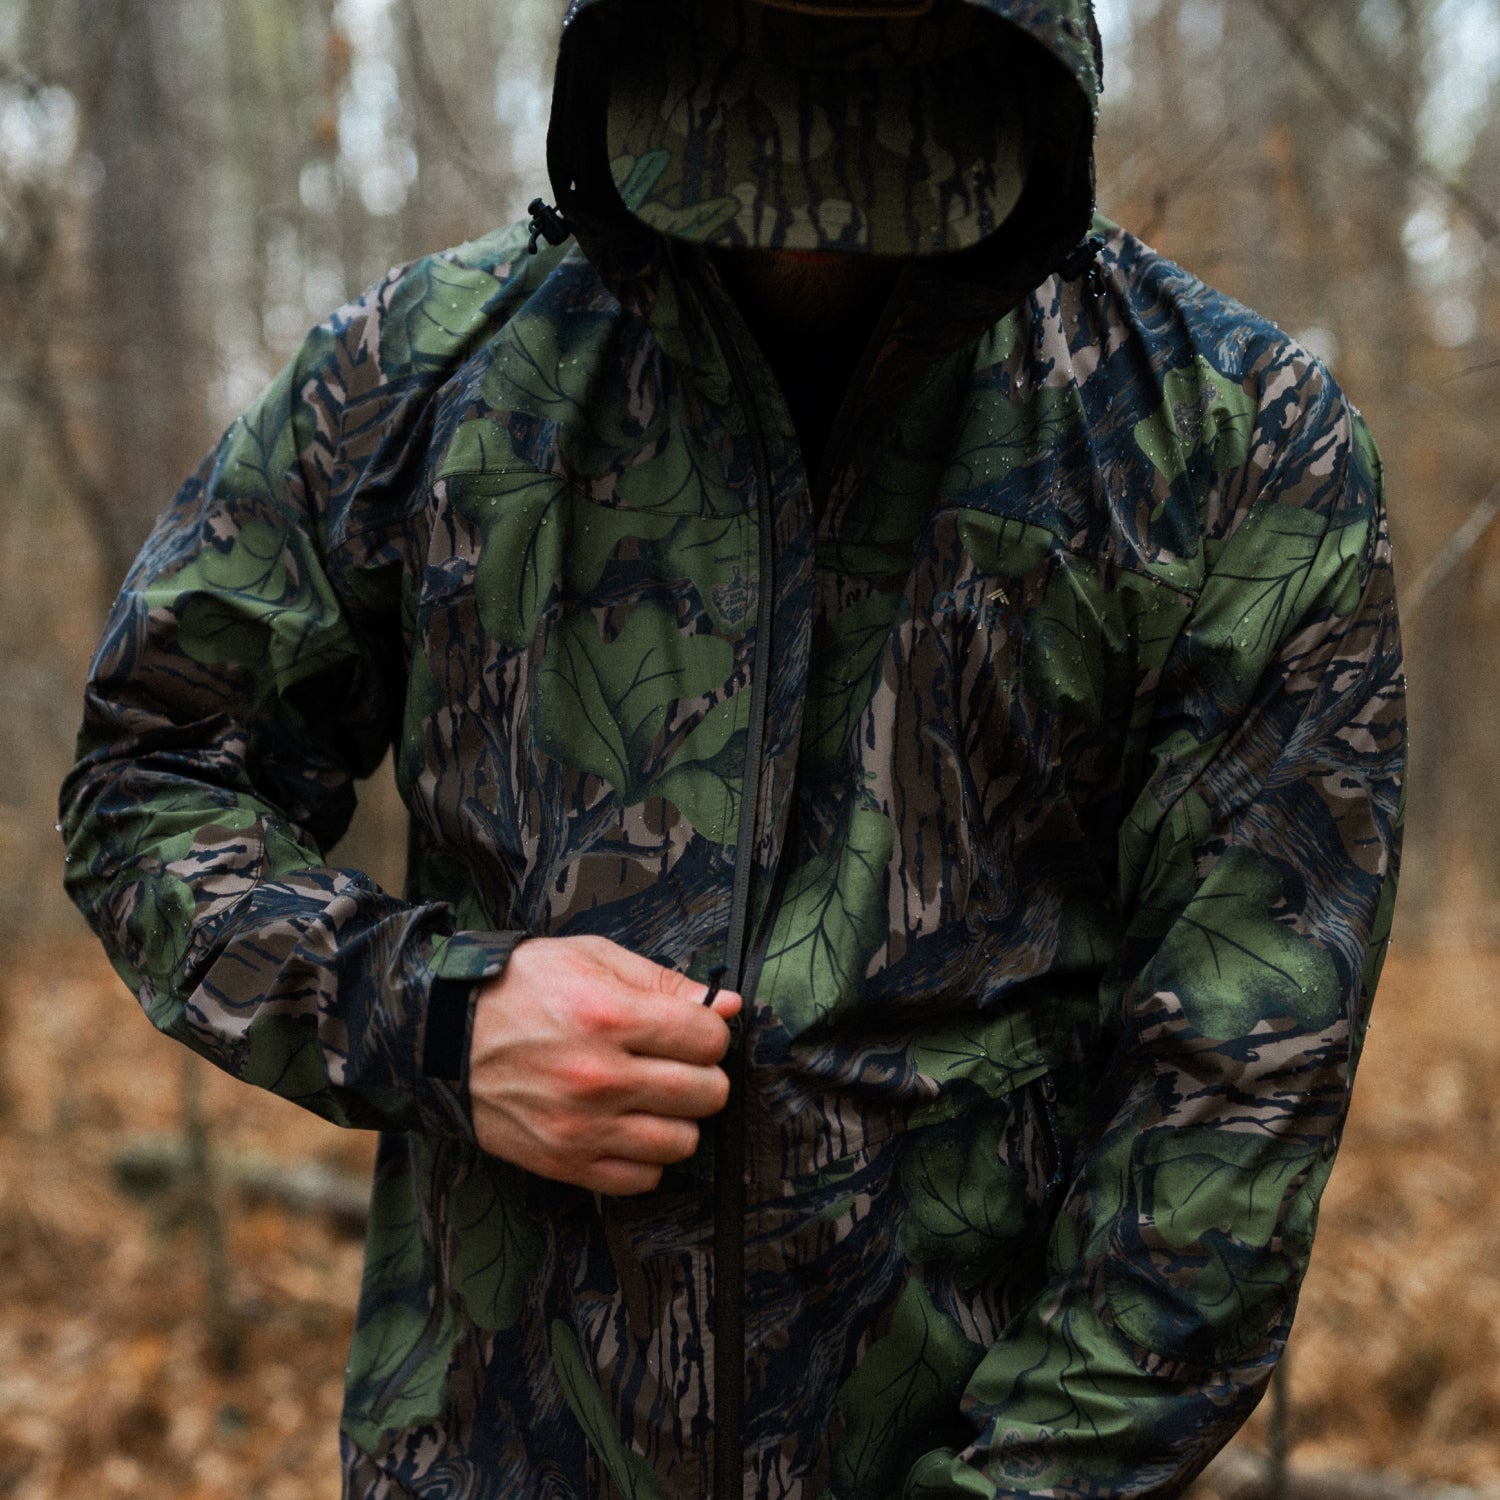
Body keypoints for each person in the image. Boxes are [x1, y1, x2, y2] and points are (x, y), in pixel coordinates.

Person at [59, 0, 1406, 1495]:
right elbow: (151, 776)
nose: (813, 250)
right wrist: (430, 1018)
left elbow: (1238, 1076)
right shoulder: (425, 380)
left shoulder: (1227, 448)